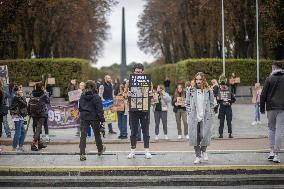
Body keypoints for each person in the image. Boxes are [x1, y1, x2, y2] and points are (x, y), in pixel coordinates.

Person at [186, 72, 214, 164]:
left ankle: (204, 150)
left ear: (203, 80)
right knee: (195, 138)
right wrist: (189, 112)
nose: (198, 81)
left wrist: (210, 112)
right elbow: (187, 103)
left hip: (205, 117)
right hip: (194, 117)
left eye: (200, 79)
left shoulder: (208, 90)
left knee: (204, 135)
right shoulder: (190, 90)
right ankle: (198, 156)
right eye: (196, 79)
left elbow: (212, 103)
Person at [126, 63, 152, 159]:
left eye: (140, 72)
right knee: (133, 131)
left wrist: (151, 94)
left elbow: (154, 96)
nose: (138, 74)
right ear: (133, 72)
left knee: (146, 131)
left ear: (143, 72)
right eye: (137, 72)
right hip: (133, 110)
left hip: (145, 109)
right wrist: (127, 94)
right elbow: (123, 95)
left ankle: (147, 151)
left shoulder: (149, 81)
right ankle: (132, 151)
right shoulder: (129, 82)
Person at [260, 61, 284, 163]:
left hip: (271, 108)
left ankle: (271, 152)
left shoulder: (269, 78)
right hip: (282, 108)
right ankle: (276, 155)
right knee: (279, 131)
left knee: (271, 129)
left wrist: (262, 108)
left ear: (274, 67)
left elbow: (263, 95)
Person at [79, 80, 106, 161]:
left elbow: (79, 107)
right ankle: (100, 150)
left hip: (84, 117)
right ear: (94, 86)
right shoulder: (96, 97)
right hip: (94, 117)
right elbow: (99, 110)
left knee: (83, 135)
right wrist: (102, 120)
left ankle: (82, 153)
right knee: (97, 134)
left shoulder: (82, 95)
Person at [28, 82, 50, 151]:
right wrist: (46, 93)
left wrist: (30, 113)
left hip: (34, 114)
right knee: (38, 129)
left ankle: (39, 143)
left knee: (37, 129)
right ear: (41, 87)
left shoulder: (32, 94)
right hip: (41, 114)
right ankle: (33, 144)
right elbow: (48, 101)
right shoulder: (43, 94)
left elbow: (29, 103)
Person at [10, 85, 28, 151]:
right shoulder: (17, 96)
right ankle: (14, 147)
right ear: (17, 90)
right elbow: (25, 104)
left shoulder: (15, 95)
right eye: (20, 89)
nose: (21, 90)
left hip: (19, 115)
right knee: (18, 131)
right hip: (17, 115)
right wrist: (22, 95)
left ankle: (20, 146)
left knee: (23, 131)